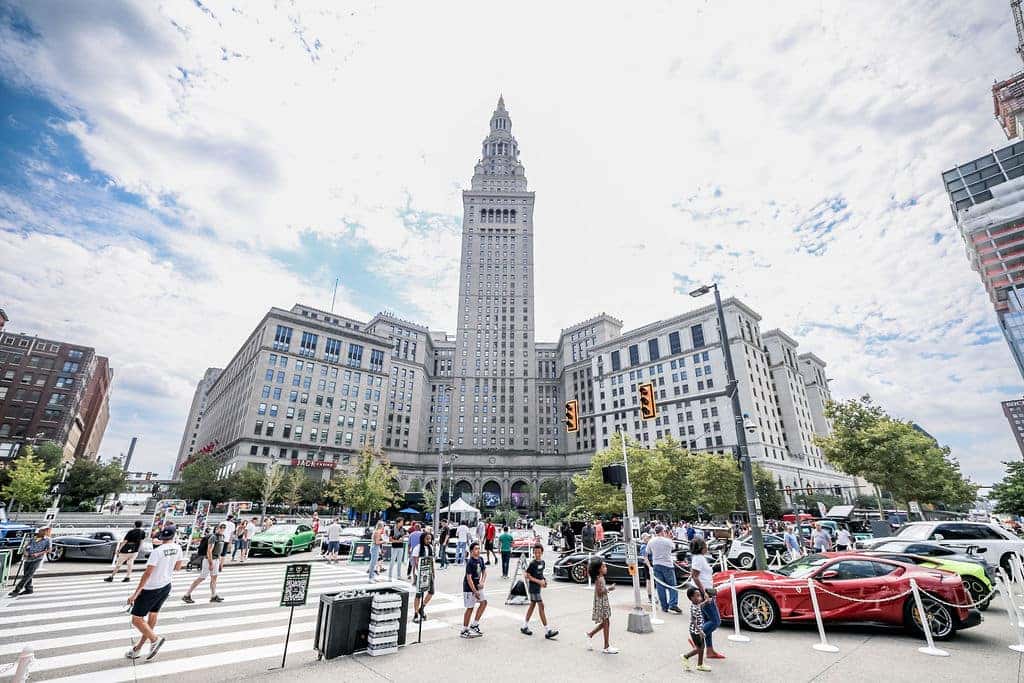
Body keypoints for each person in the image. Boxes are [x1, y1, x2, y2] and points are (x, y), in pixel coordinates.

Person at [125, 526, 182, 661]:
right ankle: (138, 648)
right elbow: (178, 568)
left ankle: (155, 639)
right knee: (153, 614)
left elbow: (147, 573)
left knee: (136, 619)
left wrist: (135, 594)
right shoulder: (178, 548)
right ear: (174, 536)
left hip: (151, 588)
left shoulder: (157, 551)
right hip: (166, 585)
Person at [688, 538, 723, 659]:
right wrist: (704, 593)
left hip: (704, 591)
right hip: (704, 593)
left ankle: (709, 650)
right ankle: (697, 639)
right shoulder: (698, 558)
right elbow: (695, 576)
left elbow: (697, 575)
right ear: (701, 547)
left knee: (707, 620)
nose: (707, 547)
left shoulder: (699, 558)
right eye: (705, 545)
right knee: (715, 621)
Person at [181, 522, 227, 604]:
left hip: (216, 559)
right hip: (209, 560)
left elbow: (219, 550)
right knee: (202, 577)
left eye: (224, 528)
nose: (222, 529)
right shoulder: (213, 537)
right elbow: (209, 551)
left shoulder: (222, 537)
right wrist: (210, 563)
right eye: (221, 528)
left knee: (214, 578)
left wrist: (219, 562)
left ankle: (213, 596)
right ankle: (187, 595)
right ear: (217, 528)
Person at [521, 543, 558, 639]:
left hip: (538, 588)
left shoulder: (542, 563)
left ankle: (524, 626)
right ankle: (548, 630)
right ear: (533, 553)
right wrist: (539, 582)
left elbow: (541, 574)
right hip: (533, 588)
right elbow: (527, 575)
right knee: (541, 606)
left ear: (542, 553)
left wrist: (544, 581)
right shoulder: (532, 564)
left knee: (532, 606)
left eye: (539, 552)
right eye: (535, 552)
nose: (537, 554)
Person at [8, 526, 52, 597]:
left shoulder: (47, 540)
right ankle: (29, 589)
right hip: (28, 558)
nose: (45, 532)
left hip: (37, 559)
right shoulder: (33, 538)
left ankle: (17, 590)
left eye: (46, 531)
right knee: (27, 574)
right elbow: (26, 546)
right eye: (43, 531)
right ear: (39, 531)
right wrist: (25, 552)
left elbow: (49, 550)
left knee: (28, 575)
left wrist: (38, 553)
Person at [585, 557, 617, 654]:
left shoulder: (600, 578)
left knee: (606, 623)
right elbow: (599, 593)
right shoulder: (599, 579)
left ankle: (590, 634)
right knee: (606, 622)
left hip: (603, 602)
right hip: (601, 603)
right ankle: (606, 646)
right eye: (603, 566)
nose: (606, 568)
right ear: (599, 569)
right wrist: (609, 589)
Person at [647, 525, 681, 614]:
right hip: (667, 565)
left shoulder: (651, 541)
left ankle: (664, 606)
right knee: (672, 586)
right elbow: (674, 547)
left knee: (660, 587)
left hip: (656, 564)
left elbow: (648, 552)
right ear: (662, 531)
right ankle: (673, 604)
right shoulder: (667, 541)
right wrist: (669, 538)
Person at [680, 586, 711, 672]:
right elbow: (693, 621)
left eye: (700, 595)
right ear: (691, 598)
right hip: (695, 632)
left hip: (698, 630)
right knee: (699, 648)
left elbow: (700, 606)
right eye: (697, 596)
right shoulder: (693, 608)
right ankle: (685, 656)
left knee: (702, 646)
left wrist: (706, 601)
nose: (700, 597)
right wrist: (700, 631)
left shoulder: (696, 605)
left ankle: (700, 665)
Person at [461, 542, 488, 638]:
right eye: (476, 549)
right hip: (469, 588)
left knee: (484, 603)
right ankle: (464, 630)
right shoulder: (470, 562)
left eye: (479, 548)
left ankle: (474, 624)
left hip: (478, 586)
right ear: (471, 551)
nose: (478, 550)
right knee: (470, 608)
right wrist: (474, 591)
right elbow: (469, 578)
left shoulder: (480, 559)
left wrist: (482, 582)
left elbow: (484, 572)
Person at [412, 530, 436, 623]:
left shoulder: (430, 547)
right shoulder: (417, 548)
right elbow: (415, 562)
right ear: (423, 539)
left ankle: (422, 608)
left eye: (430, 539)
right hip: (420, 574)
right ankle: (415, 613)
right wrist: (418, 573)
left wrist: (433, 572)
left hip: (429, 573)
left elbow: (431, 561)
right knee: (419, 594)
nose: (429, 540)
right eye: (427, 539)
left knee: (431, 591)